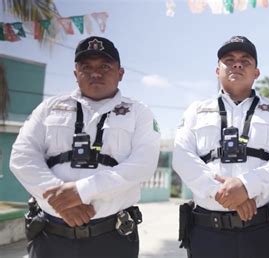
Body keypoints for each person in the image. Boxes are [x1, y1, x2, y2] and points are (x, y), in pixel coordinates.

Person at [9, 36, 161, 258]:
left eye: (105, 66)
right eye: (86, 67)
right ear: (75, 73)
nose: (95, 73)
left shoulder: (139, 112)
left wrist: (81, 192)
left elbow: (143, 165)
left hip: (111, 238)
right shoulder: (50, 108)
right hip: (50, 236)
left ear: (120, 73)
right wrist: (63, 202)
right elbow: (22, 157)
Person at [172, 35, 269, 258]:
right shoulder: (196, 111)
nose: (237, 64)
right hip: (208, 233)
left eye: (245, 60)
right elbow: (182, 158)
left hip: (264, 231)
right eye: (229, 60)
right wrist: (222, 193)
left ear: (256, 72)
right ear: (217, 70)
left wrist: (247, 187)